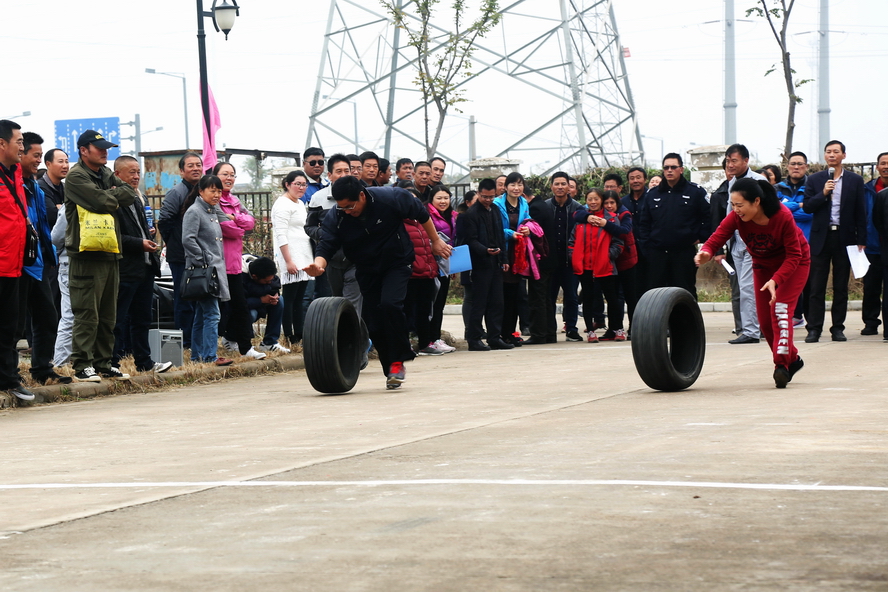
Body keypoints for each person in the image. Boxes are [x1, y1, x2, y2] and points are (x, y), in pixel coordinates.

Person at [305, 176, 451, 389]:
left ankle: (399, 359)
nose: (347, 211)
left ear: (362, 195)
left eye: (350, 206)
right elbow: (327, 243)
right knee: (373, 321)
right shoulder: (338, 215)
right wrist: (318, 264)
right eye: (342, 207)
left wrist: (435, 240)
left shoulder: (391, 198)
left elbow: (421, 214)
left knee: (390, 304)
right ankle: (390, 367)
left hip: (397, 262)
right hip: (366, 267)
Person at [696, 179, 810, 388]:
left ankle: (781, 366)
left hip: (793, 265)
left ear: (756, 201)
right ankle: (792, 359)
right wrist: (707, 251)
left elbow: (795, 255)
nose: (736, 210)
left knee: (780, 311)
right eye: (733, 205)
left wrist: (776, 279)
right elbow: (719, 235)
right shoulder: (737, 217)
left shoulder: (782, 216)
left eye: (740, 205)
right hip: (763, 266)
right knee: (765, 323)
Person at [65, 130, 137, 383]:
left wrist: (109, 196)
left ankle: (103, 363)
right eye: (100, 148)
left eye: (107, 148)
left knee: (108, 315)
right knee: (87, 313)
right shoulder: (76, 176)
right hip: (86, 255)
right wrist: (111, 196)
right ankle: (82, 365)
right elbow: (101, 202)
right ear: (84, 150)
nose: (105, 152)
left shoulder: (105, 172)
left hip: (109, 251)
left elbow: (129, 193)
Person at [110, 156, 173, 374]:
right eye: (131, 172)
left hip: (146, 266)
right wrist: (139, 243)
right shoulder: (113, 199)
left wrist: (149, 233)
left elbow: (143, 227)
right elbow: (113, 236)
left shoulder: (140, 196)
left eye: (138, 172)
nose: (136, 176)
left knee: (143, 318)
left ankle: (145, 362)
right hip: (126, 267)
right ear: (117, 174)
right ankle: (112, 363)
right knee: (118, 319)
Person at [802, 140, 867, 343]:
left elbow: (861, 211)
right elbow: (807, 207)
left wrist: (861, 239)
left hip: (844, 237)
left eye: (836, 151)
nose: (832, 155)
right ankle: (814, 328)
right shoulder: (815, 180)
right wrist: (823, 193)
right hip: (821, 237)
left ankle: (838, 328)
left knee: (841, 286)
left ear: (843, 155)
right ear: (825, 156)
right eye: (828, 151)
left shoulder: (855, 180)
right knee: (816, 287)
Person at [18, 132, 68, 385]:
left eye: (40, 155)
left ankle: (42, 369)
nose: (38, 160)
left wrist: (49, 255)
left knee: (47, 317)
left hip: (39, 262)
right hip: (17, 263)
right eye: (35, 155)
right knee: (14, 324)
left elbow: (44, 225)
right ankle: (10, 375)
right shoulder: (12, 186)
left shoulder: (33, 186)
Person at [635, 153, 710, 299]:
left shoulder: (695, 192)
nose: (669, 170)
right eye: (666, 167)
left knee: (685, 294)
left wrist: (700, 237)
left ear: (681, 169)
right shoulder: (652, 194)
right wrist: (647, 248)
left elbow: (708, 218)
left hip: (683, 254)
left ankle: (686, 316)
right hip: (657, 254)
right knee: (655, 296)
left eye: (673, 167)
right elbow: (644, 223)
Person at [212, 162, 266, 360]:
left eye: (232, 174)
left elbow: (250, 222)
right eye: (224, 174)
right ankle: (210, 348)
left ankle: (245, 347)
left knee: (240, 306)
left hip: (235, 263)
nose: (229, 178)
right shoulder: (214, 201)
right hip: (218, 262)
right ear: (215, 176)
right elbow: (228, 229)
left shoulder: (234, 200)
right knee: (218, 309)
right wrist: (238, 225)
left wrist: (234, 217)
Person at [0, 120, 35, 402]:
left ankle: (8, 379)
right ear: (2, 144)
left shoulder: (15, 174)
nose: (22, 147)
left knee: (11, 326)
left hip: (15, 263)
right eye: (19, 142)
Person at [181, 175, 233, 366]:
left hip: (212, 270)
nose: (217, 194)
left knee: (201, 316)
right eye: (212, 190)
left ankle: (197, 356)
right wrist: (203, 260)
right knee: (212, 314)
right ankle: (210, 356)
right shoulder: (195, 211)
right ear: (201, 191)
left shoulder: (212, 210)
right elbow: (188, 239)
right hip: (204, 272)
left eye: (219, 191)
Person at [456, 178, 511, 351]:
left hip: (495, 262)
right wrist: (485, 250)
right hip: (479, 264)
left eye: (491, 197)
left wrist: (504, 259)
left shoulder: (495, 210)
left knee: (497, 302)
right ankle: (474, 339)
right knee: (479, 303)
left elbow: (500, 236)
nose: (488, 200)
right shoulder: (471, 214)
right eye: (485, 197)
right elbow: (470, 240)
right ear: (479, 193)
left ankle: (495, 337)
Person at [722, 144, 767, 344]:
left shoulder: (759, 181)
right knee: (744, 287)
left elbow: (768, 211)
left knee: (749, 287)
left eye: (734, 161)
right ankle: (755, 327)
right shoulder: (732, 182)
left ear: (746, 161)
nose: (730, 165)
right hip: (737, 243)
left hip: (755, 243)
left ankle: (751, 331)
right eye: (728, 161)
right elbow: (729, 215)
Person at [157, 152, 203, 349]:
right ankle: (184, 341)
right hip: (180, 256)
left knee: (200, 298)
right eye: (190, 165)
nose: (195, 168)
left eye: (198, 165)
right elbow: (164, 221)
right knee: (183, 298)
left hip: (200, 255)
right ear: (182, 171)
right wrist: (175, 243)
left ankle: (197, 339)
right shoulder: (176, 192)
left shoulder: (204, 190)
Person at [570, 188, 625, 342]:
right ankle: (590, 331)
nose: (593, 202)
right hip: (585, 267)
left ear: (601, 200)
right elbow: (571, 242)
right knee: (588, 299)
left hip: (606, 266)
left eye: (596, 199)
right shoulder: (581, 220)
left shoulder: (611, 219)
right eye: (590, 199)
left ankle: (617, 329)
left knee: (612, 299)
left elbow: (618, 242)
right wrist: (574, 257)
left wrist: (608, 256)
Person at [272, 170, 314, 346]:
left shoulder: (299, 203)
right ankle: (289, 335)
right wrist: (288, 261)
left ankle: (299, 333)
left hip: (304, 254)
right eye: (297, 184)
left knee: (299, 298)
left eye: (304, 184)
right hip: (291, 255)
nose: (301, 188)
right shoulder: (282, 204)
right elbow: (280, 234)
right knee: (289, 298)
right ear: (287, 184)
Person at [493, 172, 532, 346]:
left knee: (515, 294)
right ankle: (500, 333)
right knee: (502, 296)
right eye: (512, 184)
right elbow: (494, 229)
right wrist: (511, 234)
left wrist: (528, 229)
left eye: (520, 184)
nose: (516, 188)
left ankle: (510, 332)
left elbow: (527, 221)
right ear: (505, 187)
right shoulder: (497, 204)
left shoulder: (523, 203)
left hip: (518, 253)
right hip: (503, 252)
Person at [776, 151, 813, 327]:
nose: (796, 167)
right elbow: (776, 212)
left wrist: (787, 208)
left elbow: (810, 212)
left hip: (807, 242)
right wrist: (799, 204)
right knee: (786, 282)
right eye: (793, 164)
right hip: (783, 243)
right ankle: (792, 316)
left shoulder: (812, 187)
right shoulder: (777, 188)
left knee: (808, 284)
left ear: (806, 167)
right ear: (787, 166)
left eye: (800, 164)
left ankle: (810, 321)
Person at [547, 171, 584, 341]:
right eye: (557, 184)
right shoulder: (545, 207)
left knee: (571, 296)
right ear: (551, 186)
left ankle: (571, 329)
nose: (560, 187)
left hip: (570, 261)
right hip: (551, 261)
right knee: (549, 296)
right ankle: (549, 329)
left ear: (569, 187)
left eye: (563, 184)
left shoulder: (578, 208)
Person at [426, 185, 458, 354]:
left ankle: (436, 338)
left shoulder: (453, 216)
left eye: (446, 198)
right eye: (439, 198)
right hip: (431, 265)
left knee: (440, 304)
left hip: (446, 264)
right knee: (431, 304)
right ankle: (429, 339)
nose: (443, 201)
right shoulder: (427, 215)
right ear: (431, 200)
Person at [523, 185, 556, 345]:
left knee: (537, 298)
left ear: (523, 195)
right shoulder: (543, 205)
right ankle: (549, 333)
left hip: (540, 261)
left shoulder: (535, 209)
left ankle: (538, 334)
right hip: (549, 260)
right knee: (546, 298)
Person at [602, 191, 638, 335]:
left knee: (631, 297)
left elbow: (624, 231)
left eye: (612, 203)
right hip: (610, 262)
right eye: (606, 203)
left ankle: (634, 328)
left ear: (617, 203)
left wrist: (606, 224)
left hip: (627, 261)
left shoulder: (625, 214)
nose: (609, 206)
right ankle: (614, 328)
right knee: (613, 297)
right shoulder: (600, 215)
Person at [860, 152, 888, 336]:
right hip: (871, 245)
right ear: (877, 167)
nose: (886, 167)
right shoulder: (866, 190)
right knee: (871, 287)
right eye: (883, 163)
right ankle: (871, 323)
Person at [242, 257, 289, 353]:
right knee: (251, 314)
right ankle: (231, 339)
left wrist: (274, 296)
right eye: (266, 282)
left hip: (259, 302)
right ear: (255, 277)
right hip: (245, 307)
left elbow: (275, 284)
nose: (269, 282)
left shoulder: (264, 266)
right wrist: (261, 300)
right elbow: (240, 303)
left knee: (279, 301)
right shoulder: (240, 275)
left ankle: (270, 342)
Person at [51, 204, 73, 368]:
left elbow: (56, 238)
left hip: (69, 262)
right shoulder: (105, 201)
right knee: (73, 316)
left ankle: (62, 362)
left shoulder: (70, 205)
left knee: (71, 316)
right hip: (73, 264)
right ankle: (62, 362)